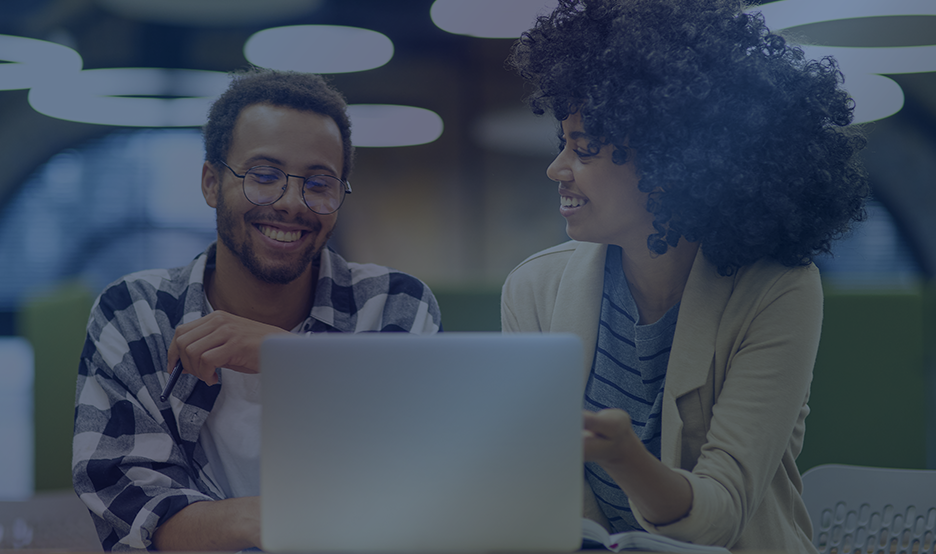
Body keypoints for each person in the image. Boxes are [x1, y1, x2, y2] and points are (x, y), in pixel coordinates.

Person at [500, 0, 868, 551]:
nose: (557, 169)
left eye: (585, 149)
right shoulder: (534, 290)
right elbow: (553, 498)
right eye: (563, 145)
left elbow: (722, 515)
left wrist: (625, 458)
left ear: (669, 164)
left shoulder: (776, 289)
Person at [72, 68, 442, 551]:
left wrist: (289, 357)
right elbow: (133, 513)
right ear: (211, 183)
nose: (292, 203)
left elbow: (424, 478)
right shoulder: (135, 313)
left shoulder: (394, 304)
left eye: (319, 183)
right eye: (264, 176)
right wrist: (267, 520)